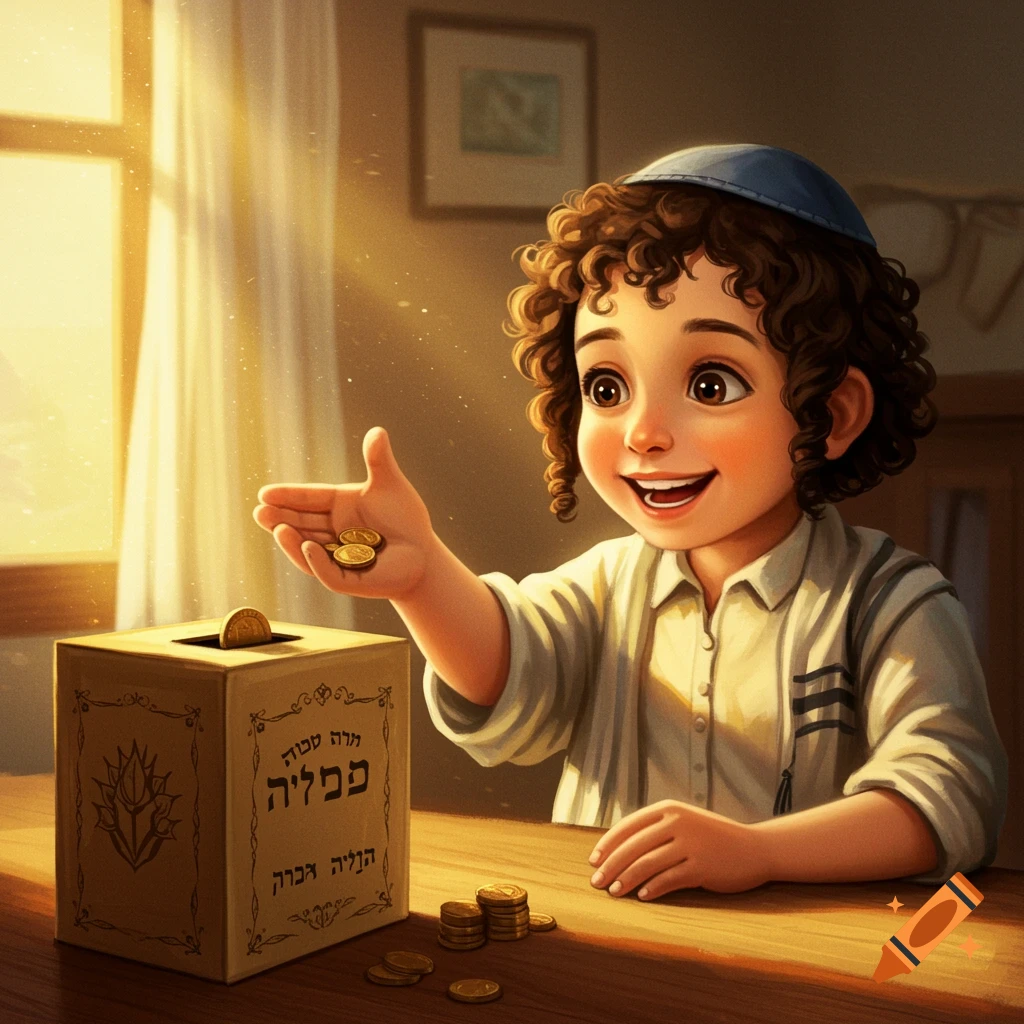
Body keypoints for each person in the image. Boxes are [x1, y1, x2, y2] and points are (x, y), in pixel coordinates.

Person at [254, 144, 1007, 900]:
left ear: (832, 413)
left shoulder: (891, 605)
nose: (644, 433)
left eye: (711, 384)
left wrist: (760, 853)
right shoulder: (606, 585)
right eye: (607, 387)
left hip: (806, 954)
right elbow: (510, 673)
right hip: (606, 935)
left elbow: (949, 797)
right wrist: (421, 578)